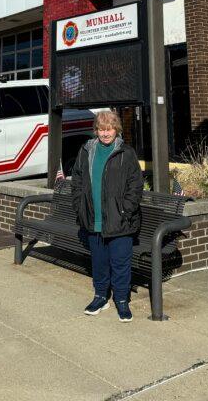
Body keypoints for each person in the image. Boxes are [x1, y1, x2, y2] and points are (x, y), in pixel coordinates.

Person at [71, 109, 143, 322]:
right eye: (101, 129)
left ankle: (122, 301)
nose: (105, 133)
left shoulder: (126, 153)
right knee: (99, 263)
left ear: (116, 129)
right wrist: (80, 206)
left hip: (120, 221)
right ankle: (100, 296)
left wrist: (125, 210)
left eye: (109, 128)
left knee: (120, 264)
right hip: (94, 221)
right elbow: (76, 179)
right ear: (96, 131)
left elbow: (135, 185)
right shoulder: (86, 151)